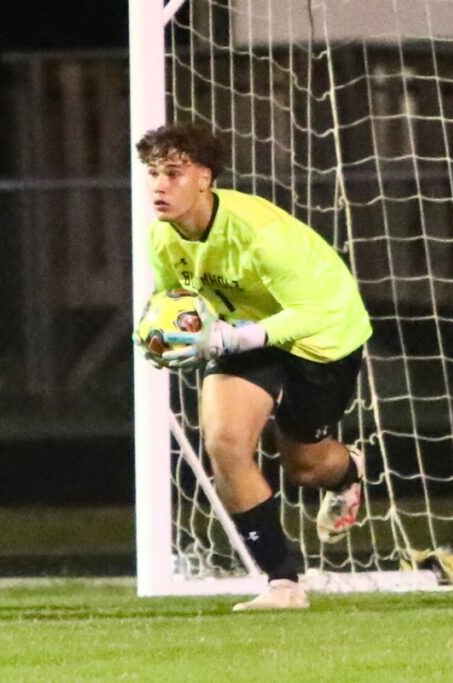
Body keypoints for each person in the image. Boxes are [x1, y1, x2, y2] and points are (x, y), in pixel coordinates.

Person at [135, 121, 371, 611]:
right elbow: (176, 298)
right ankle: (283, 583)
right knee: (223, 443)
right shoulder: (163, 236)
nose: (160, 185)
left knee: (304, 466)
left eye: (174, 173)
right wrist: (165, 336)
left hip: (323, 336)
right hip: (246, 332)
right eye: (154, 173)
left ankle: (347, 473)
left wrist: (231, 336)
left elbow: (312, 313)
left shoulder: (259, 235)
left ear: (205, 177)